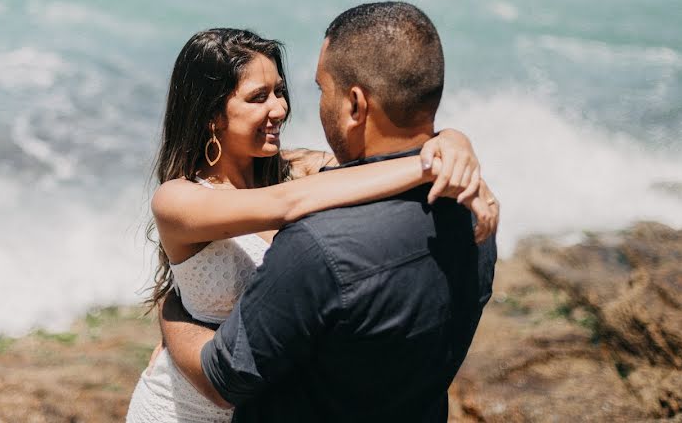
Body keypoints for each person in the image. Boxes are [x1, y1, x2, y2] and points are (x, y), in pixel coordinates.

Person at [126, 21, 498, 422]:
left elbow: (376, 161)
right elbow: (287, 205)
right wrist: (429, 166)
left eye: (280, 91)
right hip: (181, 408)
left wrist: (453, 142)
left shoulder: (297, 168)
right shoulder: (178, 199)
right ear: (212, 115)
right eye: (258, 98)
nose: (280, 109)